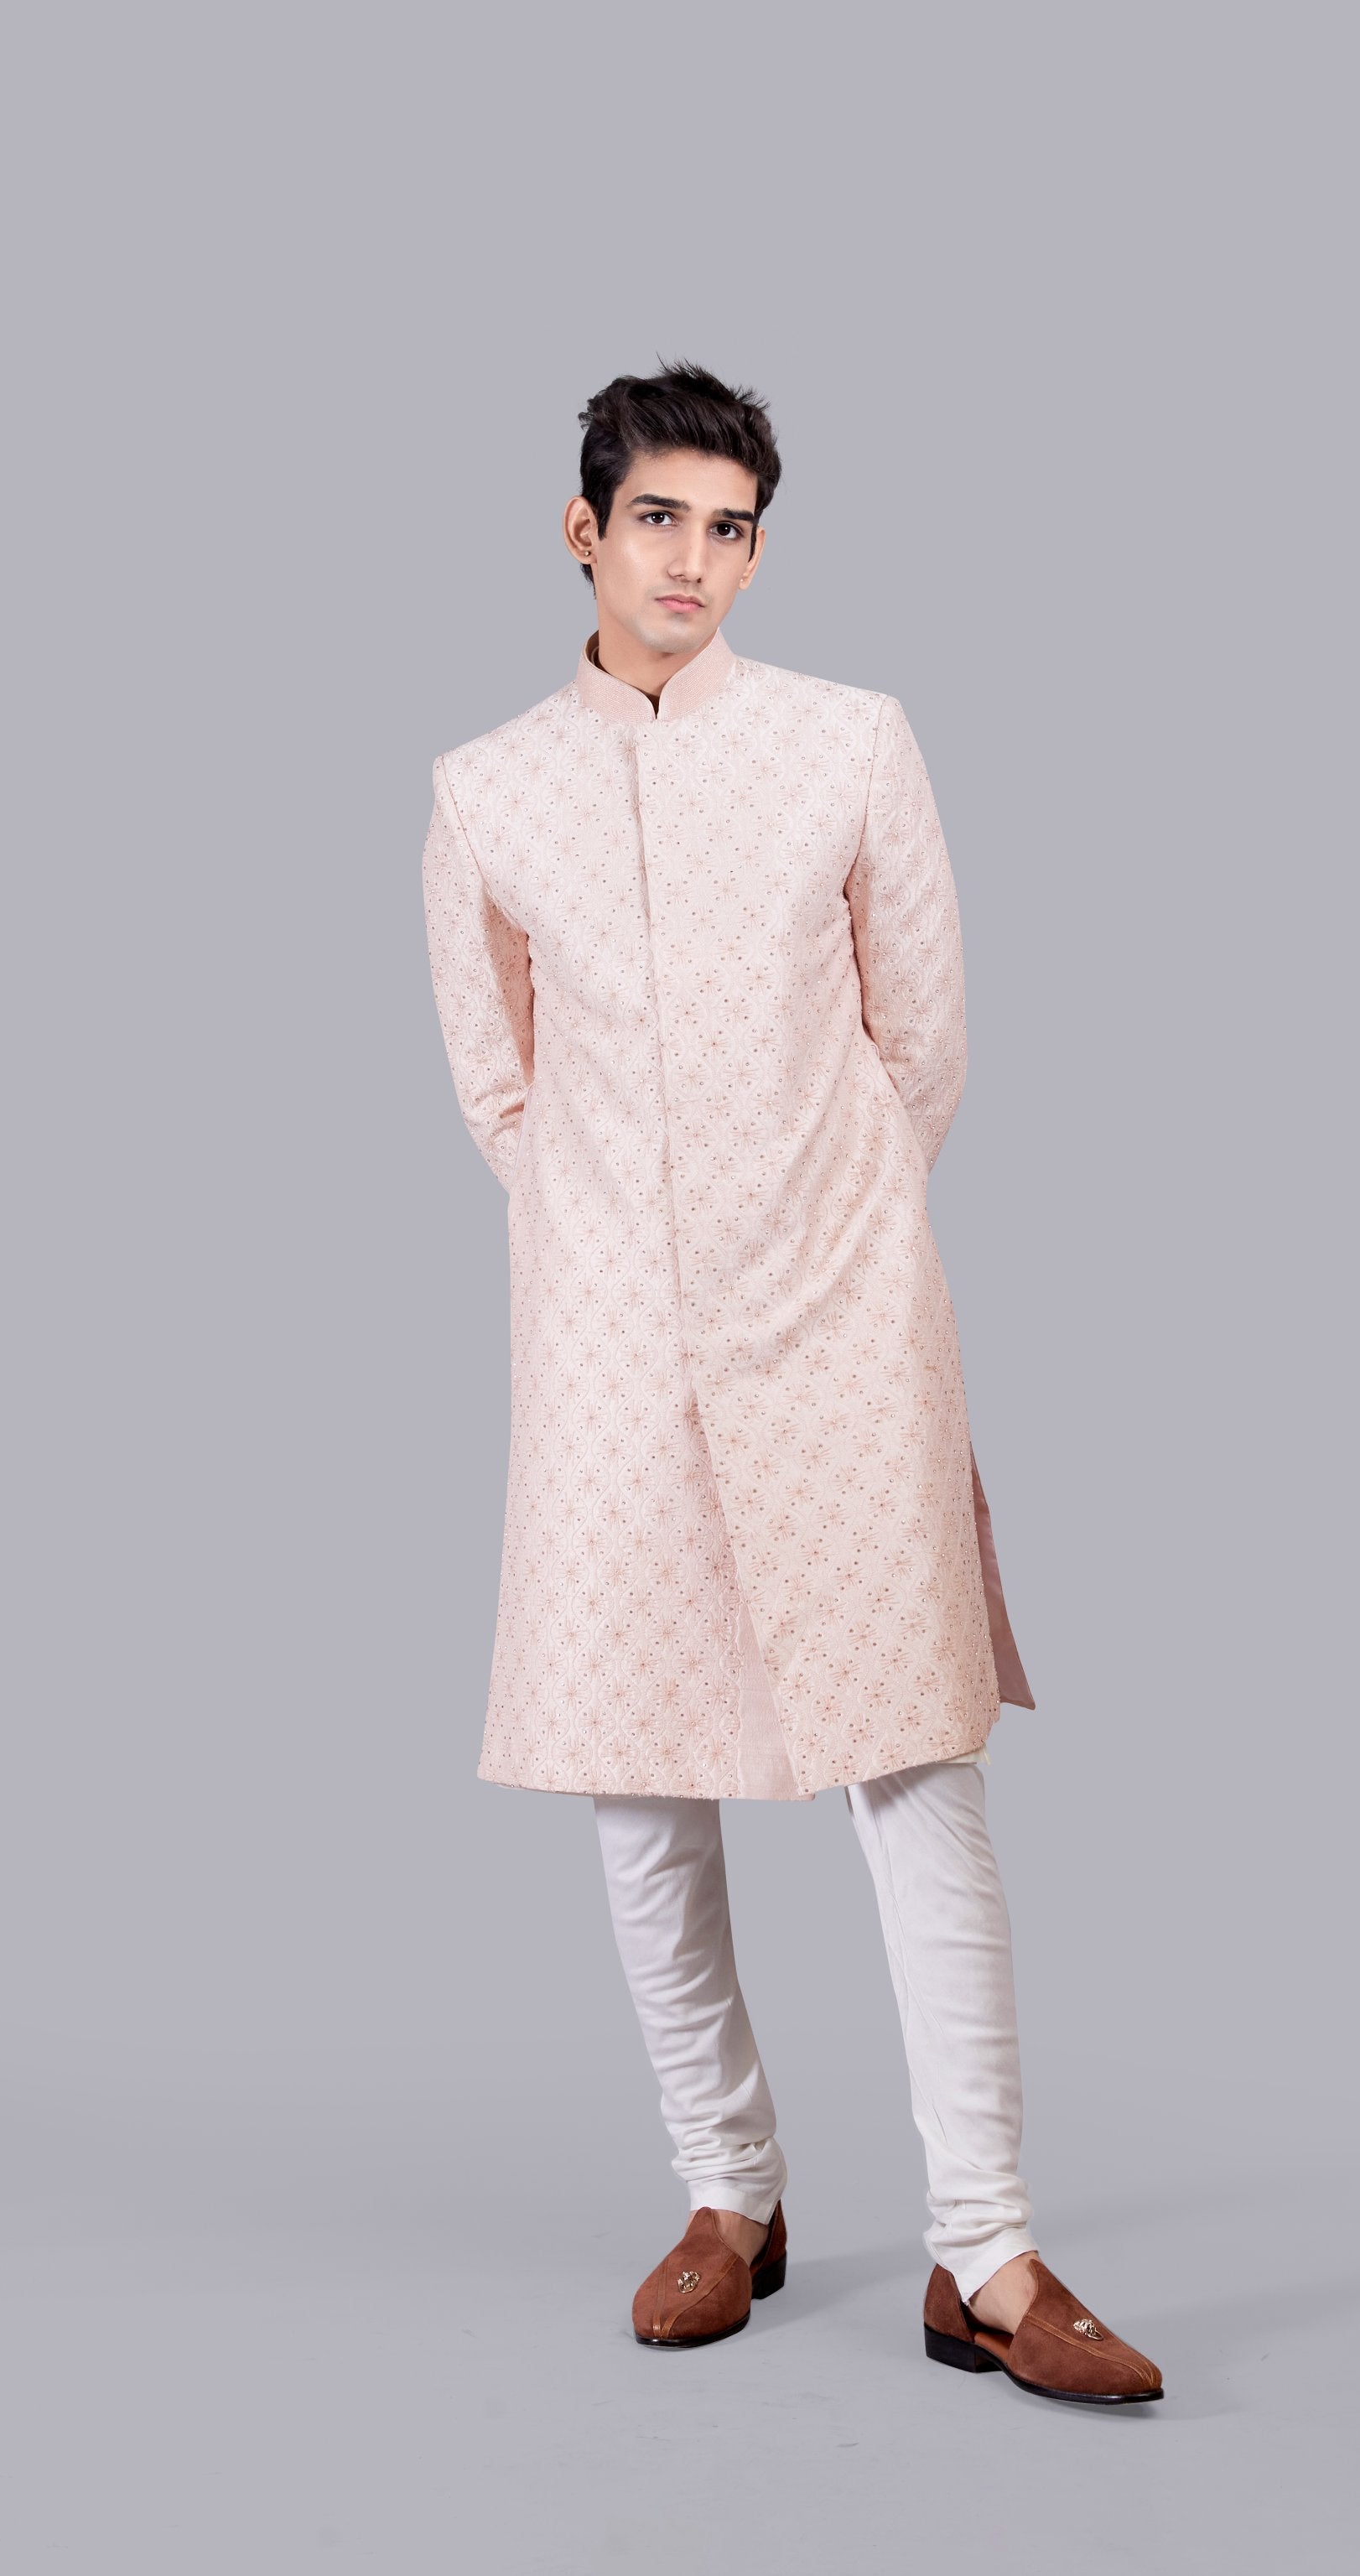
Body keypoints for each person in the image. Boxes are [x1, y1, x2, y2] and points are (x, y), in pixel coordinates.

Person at [423, 362, 1162, 2405]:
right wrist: (611, 1246)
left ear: (760, 546)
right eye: (658, 517)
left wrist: (813, 1227)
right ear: (584, 531)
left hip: (838, 1310)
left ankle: (987, 2248)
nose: (694, 560)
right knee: (639, 1771)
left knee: (917, 1757)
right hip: (604, 1341)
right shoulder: (488, 787)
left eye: (730, 525)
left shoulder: (850, 740)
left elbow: (923, 1039)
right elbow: (500, 1083)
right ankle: (727, 2191)